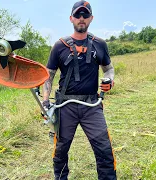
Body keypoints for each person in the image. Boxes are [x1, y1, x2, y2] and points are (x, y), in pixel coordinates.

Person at [42, 1, 116, 179]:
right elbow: (48, 76)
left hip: (92, 105)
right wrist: (45, 101)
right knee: (60, 152)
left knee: (104, 150)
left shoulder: (100, 44)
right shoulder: (59, 46)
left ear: (91, 18)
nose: (81, 18)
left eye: (85, 15)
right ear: (71, 18)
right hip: (65, 106)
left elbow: (109, 69)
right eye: (77, 15)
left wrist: (110, 80)